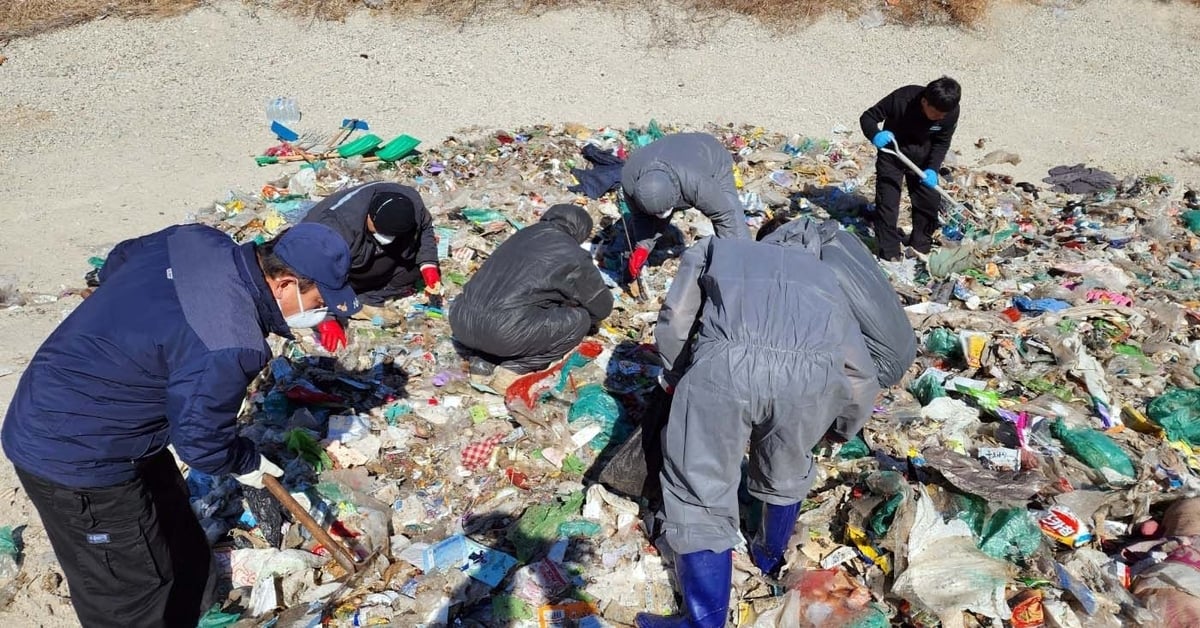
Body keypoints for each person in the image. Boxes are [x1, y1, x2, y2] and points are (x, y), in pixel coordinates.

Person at [2, 222, 360, 628]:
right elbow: (200, 444)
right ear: (285, 284)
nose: (320, 312)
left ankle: (201, 611)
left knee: (177, 530)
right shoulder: (233, 341)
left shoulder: (196, 240)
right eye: (317, 300)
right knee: (130, 586)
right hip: (75, 453)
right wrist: (245, 460)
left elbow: (119, 259)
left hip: (102, 409)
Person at [636, 217, 914, 628]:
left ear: (762, 238)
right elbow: (859, 374)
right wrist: (841, 427)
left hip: (724, 369)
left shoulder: (718, 250)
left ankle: (703, 621)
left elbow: (676, 317)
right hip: (809, 383)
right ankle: (767, 556)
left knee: (699, 489)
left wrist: (678, 375)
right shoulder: (826, 278)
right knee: (787, 468)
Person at [449, 204, 613, 389]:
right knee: (580, 320)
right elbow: (602, 306)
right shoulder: (572, 254)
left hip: (460, 319)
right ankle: (515, 368)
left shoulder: (523, 235)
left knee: (515, 311)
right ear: (581, 231)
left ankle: (483, 361)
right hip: (503, 333)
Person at [302, 181, 441, 351]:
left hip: (377, 258)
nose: (386, 238)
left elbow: (425, 229)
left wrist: (429, 265)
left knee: (414, 270)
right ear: (369, 216)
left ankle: (364, 300)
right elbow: (312, 270)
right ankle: (347, 299)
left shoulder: (412, 203)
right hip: (343, 267)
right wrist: (325, 319)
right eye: (380, 231)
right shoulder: (334, 226)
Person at [621, 132, 749, 280]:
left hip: (709, 152)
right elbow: (641, 217)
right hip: (671, 156)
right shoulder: (630, 181)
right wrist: (642, 247)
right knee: (652, 221)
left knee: (733, 214)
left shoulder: (695, 183)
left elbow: (724, 215)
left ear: (677, 196)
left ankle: (747, 266)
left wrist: (728, 261)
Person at [860, 76, 961, 260]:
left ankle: (919, 247)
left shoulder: (949, 111)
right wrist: (875, 134)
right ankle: (889, 253)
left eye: (943, 115)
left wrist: (933, 168)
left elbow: (942, 142)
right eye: (936, 113)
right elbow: (868, 117)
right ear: (924, 102)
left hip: (923, 159)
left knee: (928, 202)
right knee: (887, 205)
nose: (940, 118)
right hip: (893, 153)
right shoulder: (902, 99)